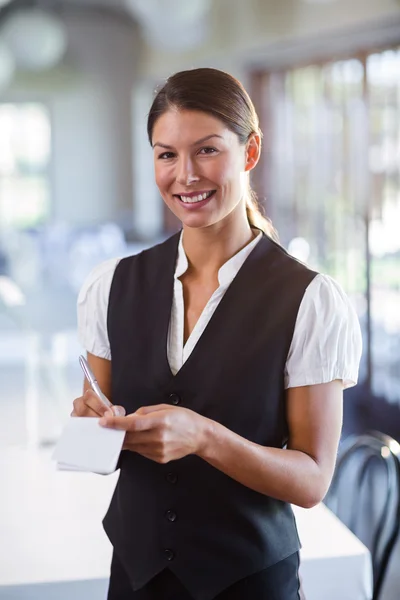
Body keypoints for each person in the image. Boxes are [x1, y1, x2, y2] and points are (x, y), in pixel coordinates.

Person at [72, 67, 362, 600]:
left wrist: (206, 437)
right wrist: (93, 427)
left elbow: (312, 480)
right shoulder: (110, 286)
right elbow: (97, 449)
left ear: (249, 152)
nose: (185, 175)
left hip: (248, 583)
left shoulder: (311, 301)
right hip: (135, 580)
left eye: (206, 150)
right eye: (166, 154)